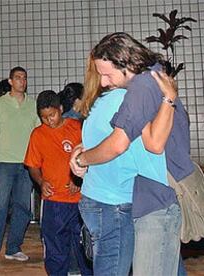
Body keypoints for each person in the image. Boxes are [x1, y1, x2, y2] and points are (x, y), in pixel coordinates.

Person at [70, 32, 193, 276]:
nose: (103, 82)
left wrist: (82, 159)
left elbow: (124, 144)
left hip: (157, 200)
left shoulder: (141, 86)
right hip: (153, 197)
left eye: (107, 74)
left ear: (126, 63)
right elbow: (145, 135)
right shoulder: (153, 77)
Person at [24, 90, 92, 275]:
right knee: (55, 247)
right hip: (54, 201)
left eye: (52, 115)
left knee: (83, 245)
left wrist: (79, 179)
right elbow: (32, 165)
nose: (49, 120)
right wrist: (40, 181)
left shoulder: (77, 127)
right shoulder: (37, 135)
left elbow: (90, 156)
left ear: (61, 109)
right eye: (44, 117)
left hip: (79, 200)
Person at [0, 66, 40, 265]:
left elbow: (39, 134)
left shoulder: (33, 105)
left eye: (24, 78)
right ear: (10, 81)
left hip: (26, 164)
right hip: (3, 162)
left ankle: (13, 248)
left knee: (22, 207)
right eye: (18, 78)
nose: (22, 81)